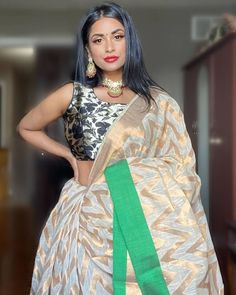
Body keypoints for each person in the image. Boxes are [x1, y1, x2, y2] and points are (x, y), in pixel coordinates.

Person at [17, 2, 224, 294]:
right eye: (98, 40)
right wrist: (68, 155)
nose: (109, 46)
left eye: (118, 36)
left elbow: (179, 163)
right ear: (88, 50)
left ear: (131, 41)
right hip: (85, 218)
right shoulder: (73, 94)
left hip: (143, 217)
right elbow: (26, 126)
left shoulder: (156, 103)